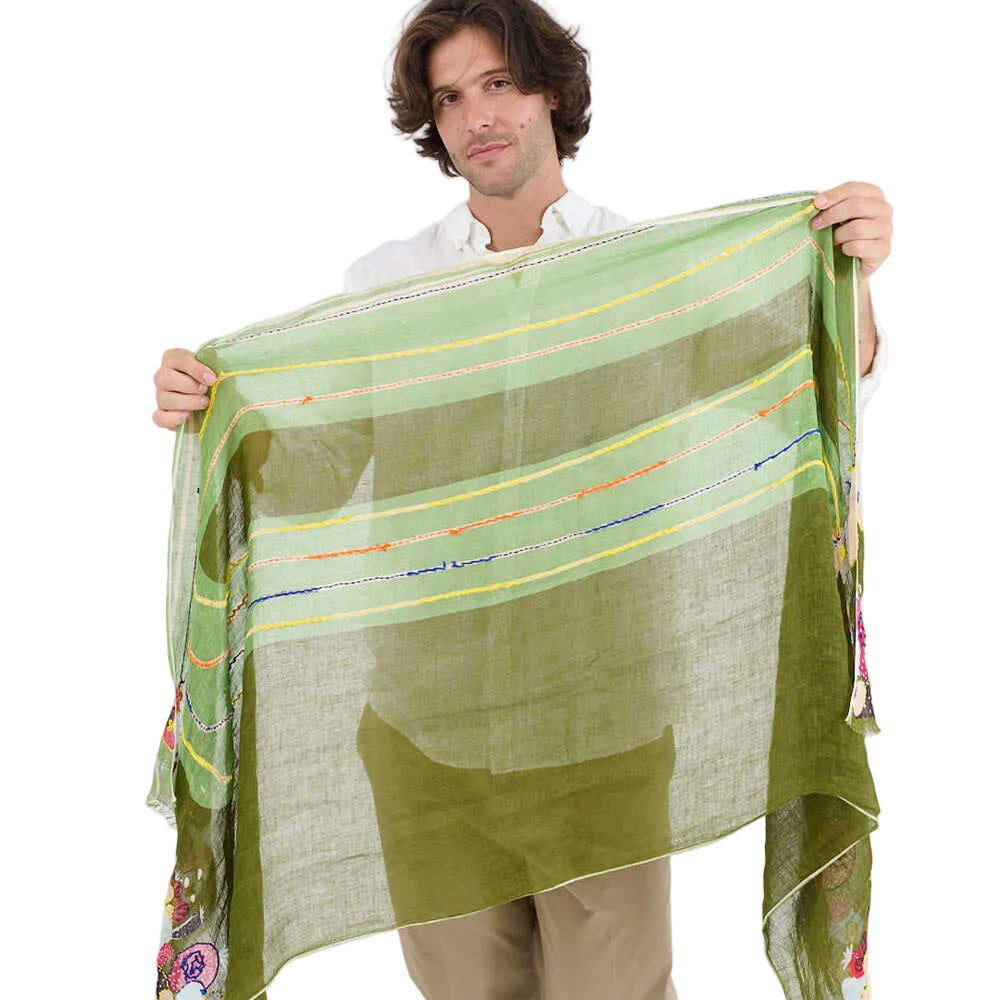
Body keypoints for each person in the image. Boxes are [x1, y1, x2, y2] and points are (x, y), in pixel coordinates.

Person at [150, 2, 893, 997]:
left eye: (497, 83)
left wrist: (851, 275)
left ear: (549, 92)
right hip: (425, 735)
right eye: (450, 98)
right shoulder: (387, 288)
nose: (476, 117)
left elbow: (791, 380)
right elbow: (314, 476)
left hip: (603, 732)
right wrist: (212, 413)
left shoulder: (644, 273)